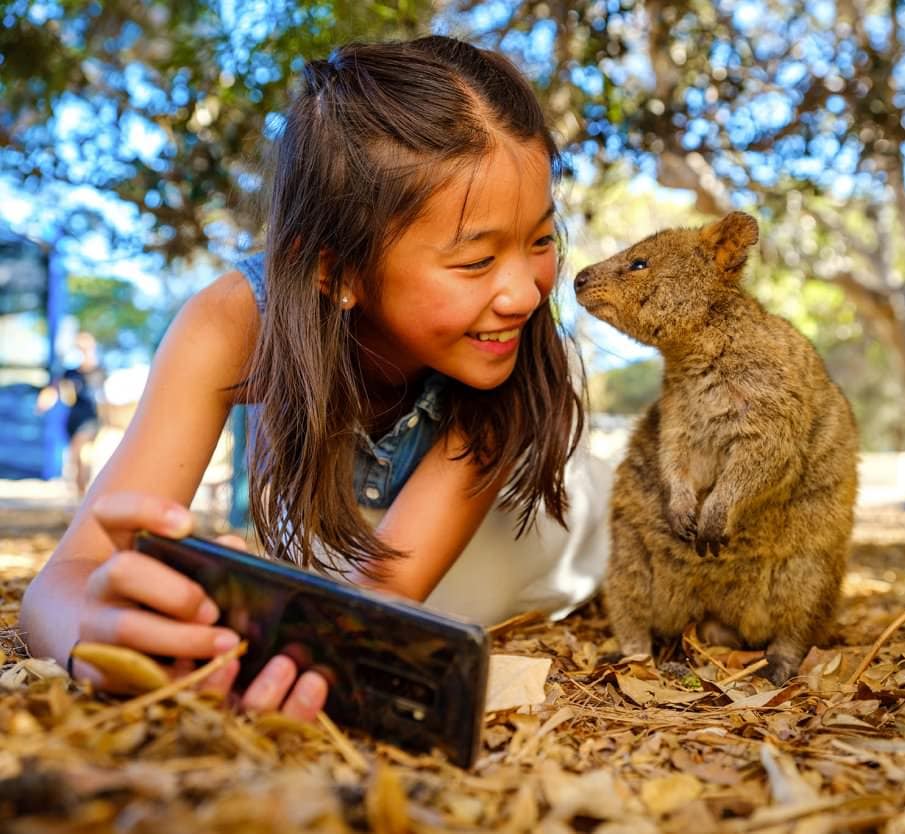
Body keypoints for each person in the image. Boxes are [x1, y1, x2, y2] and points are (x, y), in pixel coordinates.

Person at [19, 36, 611, 722]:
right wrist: (95, 639)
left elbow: (386, 592)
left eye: (539, 240)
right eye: (476, 261)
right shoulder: (231, 323)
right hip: (359, 535)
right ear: (335, 271)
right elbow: (58, 584)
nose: (526, 293)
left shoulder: (511, 349)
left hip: (550, 529)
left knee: (445, 602)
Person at [36, 331, 106, 497]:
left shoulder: (98, 371)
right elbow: (56, 391)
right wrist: (45, 401)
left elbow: (104, 399)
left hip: (90, 419)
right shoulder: (70, 373)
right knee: (77, 457)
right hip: (74, 419)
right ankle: (80, 494)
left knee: (80, 451)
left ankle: (83, 493)